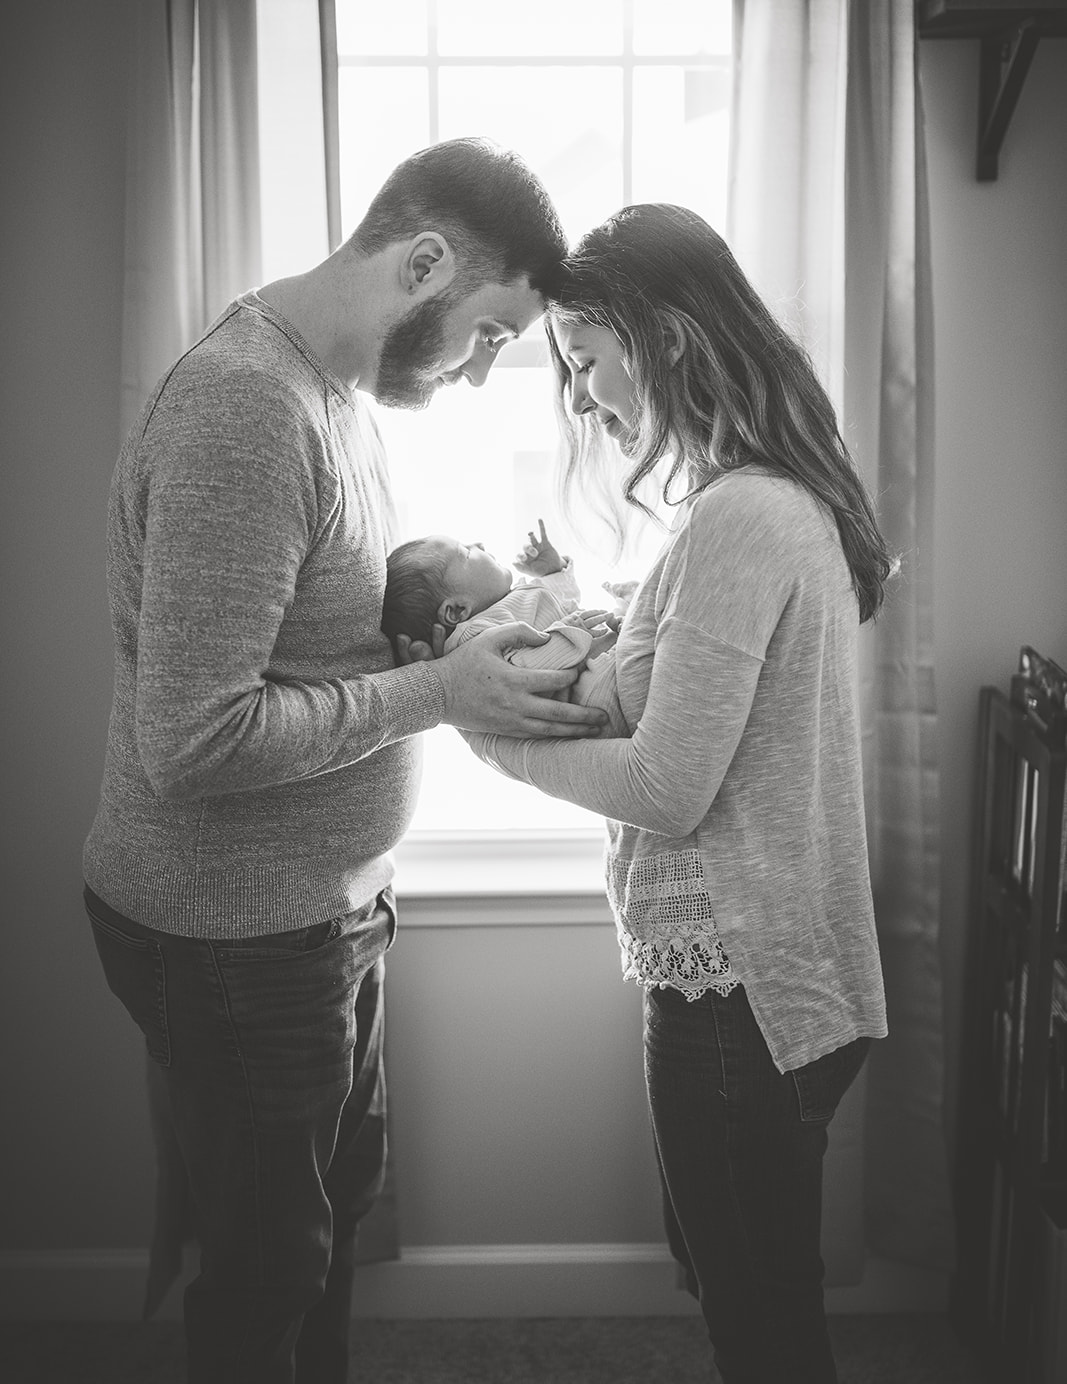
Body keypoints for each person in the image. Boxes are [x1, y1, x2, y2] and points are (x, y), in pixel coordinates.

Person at [81, 137, 608, 1384]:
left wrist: (492, 631)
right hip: (233, 934)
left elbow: (322, 644)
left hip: (318, 914)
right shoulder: (246, 411)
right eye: (488, 334)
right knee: (269, 1267)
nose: (485, 376)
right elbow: (194, 742)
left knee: (321, 1233)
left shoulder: (332, 396)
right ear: (423, 262)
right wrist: (440, 688)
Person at [460, 203, 894, 1384]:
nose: (586, 395)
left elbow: (665, 783)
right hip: (766, 974)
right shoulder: (756, 501)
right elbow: (695, 714)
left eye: (587, 359)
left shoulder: (740, 516)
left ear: (666, 340)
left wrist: (481, 731)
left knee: (757, 1321)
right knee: (749, 1288)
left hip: (736, 990)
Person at [382, 519, 630, 735]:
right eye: (466, 553)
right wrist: (567, 632)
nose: (479, 544)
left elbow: (564, 606)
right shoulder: (475, 638)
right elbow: (524, 673)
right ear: (457, 610)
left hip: (596, 660)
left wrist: (552, 573)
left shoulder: (511, 600)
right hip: (594, 693)